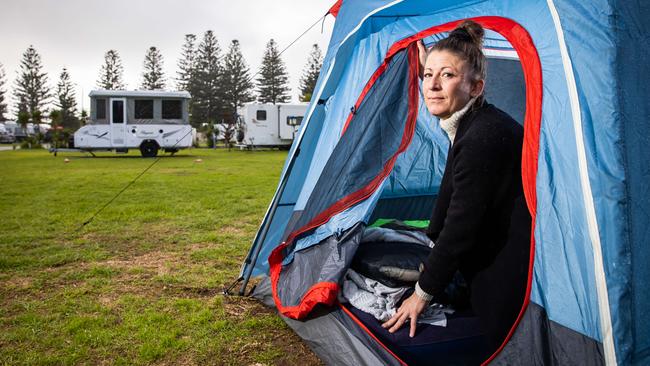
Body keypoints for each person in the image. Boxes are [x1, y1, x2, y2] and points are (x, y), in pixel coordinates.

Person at [382, 21, 532, 354]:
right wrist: (436, 66)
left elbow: (461, 229)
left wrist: (422, 294)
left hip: (508, 273)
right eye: (427, 75)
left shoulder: (483, 137)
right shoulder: (474, 120)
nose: (432, 85)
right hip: (493, 255)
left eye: (447, 76)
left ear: (476, 87)